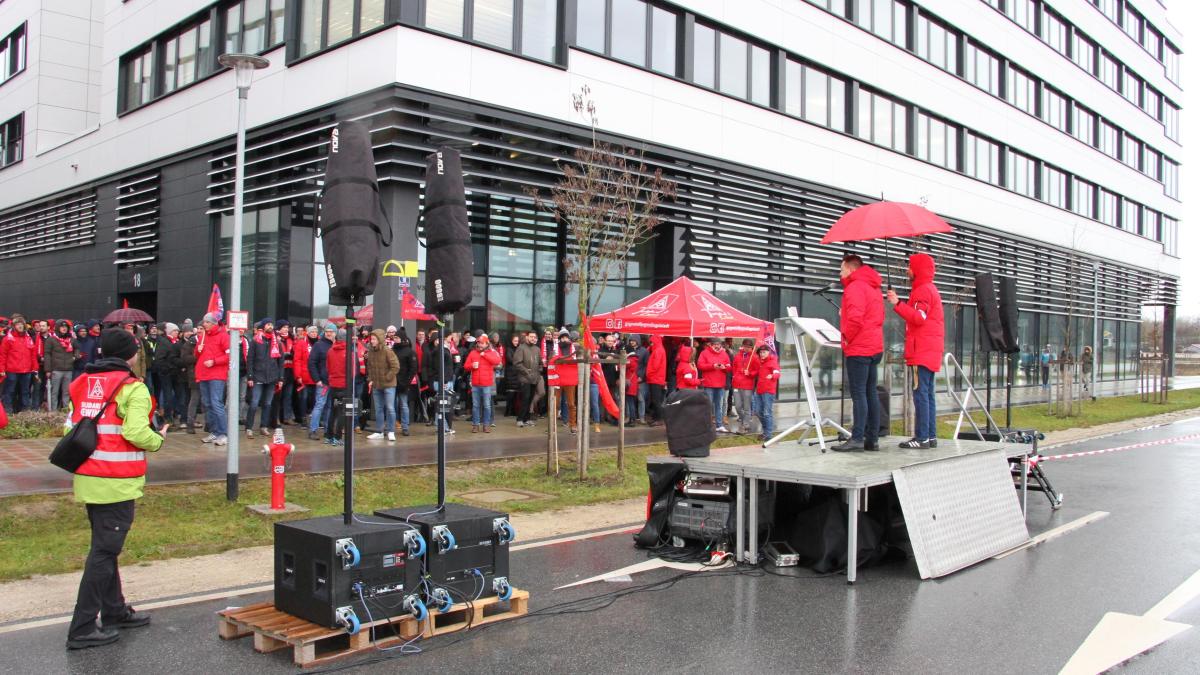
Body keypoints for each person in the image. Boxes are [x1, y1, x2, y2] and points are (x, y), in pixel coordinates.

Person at [65, 328, 166, 650]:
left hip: (88, 476)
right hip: (116, 480)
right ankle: (82, 627)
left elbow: (71, 424)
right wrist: (158, 439)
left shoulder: (81, 382)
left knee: (105, 548)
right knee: (104, 552)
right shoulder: (132, 388)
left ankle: (114, 610)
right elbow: (136, 431)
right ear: (131, 354)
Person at [887, 252, 945, 449]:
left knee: (920, 393)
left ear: (917, 269)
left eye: (910, 267)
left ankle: (922, 438)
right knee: (928, 394)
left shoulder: (922, 290)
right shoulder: (930, 289)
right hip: (929, 350)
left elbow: (919, 318)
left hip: (921, 351)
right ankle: (930, 436)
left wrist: (897, 304)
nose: (907, 270)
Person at [834, 253, 885, 453]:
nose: (840, 273)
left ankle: (857, 438)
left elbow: (855, 319)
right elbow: (877, 315)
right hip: (874, 346)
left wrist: (846, 336)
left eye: (841, 269)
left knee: (859, 394)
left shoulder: (854, 287)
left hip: (859, 347)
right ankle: (872, 439)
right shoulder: (873, 288)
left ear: (850, 268)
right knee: (870, 392)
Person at [195, 313, 230, 446]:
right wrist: (198, 350)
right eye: (204, 322)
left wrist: (214, 362)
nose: (204, 324)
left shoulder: (223, 336)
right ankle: (214, 432)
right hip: (204, 374)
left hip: (217, 375)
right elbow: (197, 354)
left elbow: (230, 355)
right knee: (207, 404)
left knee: (216, 403)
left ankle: (223, 433)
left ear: (214, 324)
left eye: (207, 322)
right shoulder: (203, 336)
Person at [245, 318, 284, 437]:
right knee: (254, 403)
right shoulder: (255, 341)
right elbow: (250, 360)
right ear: (263, 327)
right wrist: (250, 376)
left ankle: (264, 426)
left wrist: (281, 378)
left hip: (272, 377)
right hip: (258, 376)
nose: (270, 326)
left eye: (272, 324)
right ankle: (249, 427)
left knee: (268, 403)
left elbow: (280, 362)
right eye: (268, 324)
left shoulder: (277, 343)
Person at [464, 334, 502, 433]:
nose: (480, 345)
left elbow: (497, 361)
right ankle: (475, 425)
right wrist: (472, 365)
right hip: (476, 384)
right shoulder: (473, 353)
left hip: (486, 384)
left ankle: (486, 425)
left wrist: (485, 355)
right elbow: (466, 366)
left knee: (486, 405)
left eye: (482, 343)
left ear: (486, 343)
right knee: (476, 405)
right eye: (478, 343)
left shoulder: (491, 352)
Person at [366, 328, 399, 442]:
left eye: (374, 339)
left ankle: (391, 431)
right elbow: (369, 367)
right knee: (378, 409)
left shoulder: (388, 351)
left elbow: (395, 366)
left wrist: (387, 377)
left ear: (379, 339)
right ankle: (379, 431)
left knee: (390, 408)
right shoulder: (371, 351)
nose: (372, 341)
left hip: (389, 385)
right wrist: (370, 379)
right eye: (371, 339)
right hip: (376, 385)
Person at [0, 314, 37, 413]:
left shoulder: (28, 338)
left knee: (25, 391)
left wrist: (35, 368)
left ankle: (25, 411)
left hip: (27, 370)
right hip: (12, 370)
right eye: (18, 324)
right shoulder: (8, 339)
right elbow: (2, 355)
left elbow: (33, 355)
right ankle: (8, 410)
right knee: (10, 391)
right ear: (14, 326)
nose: (20, 326)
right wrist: (2, 369)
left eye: (22, 324)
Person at [323, 329, 353, 446]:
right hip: (344, 385)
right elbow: (352, 371)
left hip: (333, 384)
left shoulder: (330, 350)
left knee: (333, 411)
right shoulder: (348, 352)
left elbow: (328, 367)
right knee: (342, 412)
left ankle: (329, 435)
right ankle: (337, 437)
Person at [306, 324, 336, 440]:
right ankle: (313, 430)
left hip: (333, 382)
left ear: (335, 333)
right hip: (322, 382)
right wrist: (317, 379)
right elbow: (311, 363)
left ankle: (328, 430)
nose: (329, 333)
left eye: (331, 331)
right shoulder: (319, 345)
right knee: (319, 405)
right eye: (327, 331)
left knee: (329, 406)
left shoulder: (336, 344)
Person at [697, 336, 733, 432]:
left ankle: (719, 425)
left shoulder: (724, 353)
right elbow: (700, 365)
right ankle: (707, 425)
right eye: (716, 344)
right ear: (711, 345)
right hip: (709, 383)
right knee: (708, 405)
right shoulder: (704, 353)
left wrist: (724, 367)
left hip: (720, 384)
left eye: (719, 344)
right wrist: (712, 366)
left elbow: (729, 367)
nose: (717, 346)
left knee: (719, 405)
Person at [45, 320, 79, 411]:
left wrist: (75, 356)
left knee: (66, 392)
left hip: (68, 369)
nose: (64, 328)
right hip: (56, 369)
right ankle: (53, 411)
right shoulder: (51, 339)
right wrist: (48, 370)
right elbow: (47, 354)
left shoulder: (72, 339)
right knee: (54, 392)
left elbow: (77, 348)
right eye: (62, 327)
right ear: (57, 328)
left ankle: (65, 410)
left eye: (66, 327)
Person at [749, 344, 781, 441]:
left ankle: (768, 434)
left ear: (768, 352)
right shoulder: (760, 362)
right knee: (757, 411)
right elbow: (757, 372)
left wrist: (773, 375)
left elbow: (777, 372)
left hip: (768, 391)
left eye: (764, 352)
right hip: (759, 390)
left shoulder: (773, 362)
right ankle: (766, 430)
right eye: (761, 353)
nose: (762, 354)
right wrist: (749, 373)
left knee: (767, 413)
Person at [511, 330, 542, 428]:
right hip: (524, 379)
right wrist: (526, 372)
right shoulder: (521, 348)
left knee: (530, 400)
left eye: (535, 337)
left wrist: (539, 370)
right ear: (527, 337)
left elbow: (540, 363)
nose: (533, 339)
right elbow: (516, 363)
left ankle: (527, 419)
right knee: (525, 399)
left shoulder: (537, 349)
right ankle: (520, 419)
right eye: (531, 337)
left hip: (534, 378)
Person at [392, 333, 418, 436]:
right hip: (392, 382)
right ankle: (390, 425)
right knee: (391, 406)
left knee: (403, 405)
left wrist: (407, 382)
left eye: (397, 337)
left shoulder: (409, 352)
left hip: (403, 383)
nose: (395, 339)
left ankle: (405, 426)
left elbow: (413, 368)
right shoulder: (392, 350)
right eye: (394, 338)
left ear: (402, 339)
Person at [731, 338, 757, 435]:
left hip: (747, 385)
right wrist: (734, 376)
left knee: (746, 407)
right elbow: (734, 367)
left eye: (748, 347)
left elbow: (757, 371)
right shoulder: (737, 356)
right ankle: (743, 419)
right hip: (736, 384)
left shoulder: (754, 357)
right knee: (737, 406)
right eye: (745, 346)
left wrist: (749, 373)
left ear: (751, 348)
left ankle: (745, 424)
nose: (746, 348)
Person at [178, 324, 200, 434]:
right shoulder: (190, 343)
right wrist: (198, 356)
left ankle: (209, 424)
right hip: (193, 375)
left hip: (207, 375)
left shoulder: (208, 341)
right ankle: (189, 422)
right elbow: (185, 358)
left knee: (208, 401)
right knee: (193, 399)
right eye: (199, 329)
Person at [644, 335, 667, 426]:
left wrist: (648, 373)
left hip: (655, 378)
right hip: (657, 378)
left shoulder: (657, 351)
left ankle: (659, 419)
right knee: (656, 400)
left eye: (652, 342)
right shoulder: (659, 349)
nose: (651, 343)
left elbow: (655, 366)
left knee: (656, 400)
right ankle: (656, 418)